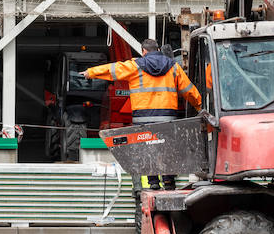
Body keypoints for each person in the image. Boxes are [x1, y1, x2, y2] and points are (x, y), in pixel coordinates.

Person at [82, 38, 202, 190]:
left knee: (148, 148)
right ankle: (169, 182)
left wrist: (90, 72)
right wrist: (200, 105)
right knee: (167, 149)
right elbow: (189, 90)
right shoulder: (174, 67)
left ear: (144, 51)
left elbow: (112, 70)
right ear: (158, 49)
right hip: (168, 117)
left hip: (143, 118)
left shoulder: (135, 66)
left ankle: (153, 183)